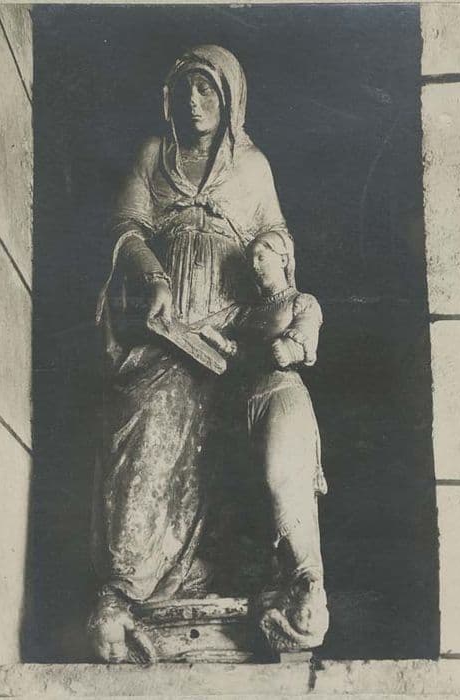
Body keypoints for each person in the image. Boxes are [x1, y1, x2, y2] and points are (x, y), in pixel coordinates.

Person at [89, 45, 288, 662]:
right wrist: (153, 278)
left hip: (231, 331)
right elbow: (126, 229)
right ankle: (125, 589)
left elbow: (275, 236)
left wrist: (271, 265)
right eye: (186, 91)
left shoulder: (252, 166)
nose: (195, 102)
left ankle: (241, 583)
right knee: (146, 415)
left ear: (231, 101)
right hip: (164, 329)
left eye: (207, 91)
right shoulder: (155, 155)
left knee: (246, 417)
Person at [198, 229, 329, 649]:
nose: (255, 266)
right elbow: (237, 354)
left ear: (284, 258)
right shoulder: (249, 312)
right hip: (246, 403)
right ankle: (276, 581)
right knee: (250, 492)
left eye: (262, 257)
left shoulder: (302, 302)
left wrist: (284, 348)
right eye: (251, 259)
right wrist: (219, 343)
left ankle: (307, 578)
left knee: (281, 480)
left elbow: (297, 346)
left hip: (282, 396)